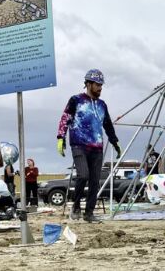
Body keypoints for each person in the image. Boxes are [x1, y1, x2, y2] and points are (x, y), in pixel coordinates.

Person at [57, 69, 122, 222]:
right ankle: (76, 206)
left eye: (101, 85)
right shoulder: (76, 100)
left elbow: (108, 125)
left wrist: (115, 142)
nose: (100, 88)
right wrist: (61, 137)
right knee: (83, 175)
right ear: (88, 84)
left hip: (97, 147)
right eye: (97, 84)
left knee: (94, 180)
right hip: (79, 144)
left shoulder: (102, 105)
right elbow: (65, 118)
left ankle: (89, 213)